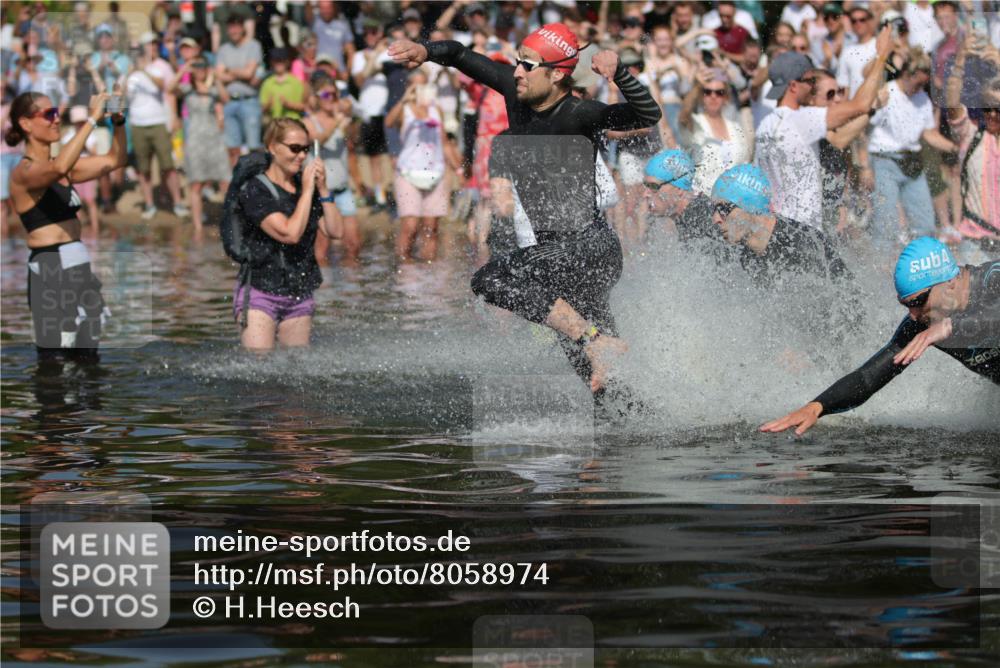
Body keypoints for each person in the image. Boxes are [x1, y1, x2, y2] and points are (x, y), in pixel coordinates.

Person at [387, 22, 662, 406]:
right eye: (517, 62)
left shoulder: (580, 113)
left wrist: (619, 74)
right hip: (560, 256)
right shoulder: (516, 92)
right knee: (599, 385)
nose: (516, 71)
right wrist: (425, 51)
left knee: (491, 277)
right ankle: (635, 432)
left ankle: (595, 341)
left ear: (556, 74)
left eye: (527, 66)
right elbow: (460, 55)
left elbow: (647, 114)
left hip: (588, 247)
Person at [761, 238, 999, 436]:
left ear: (949, 282)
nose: (914, 315)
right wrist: (817, 406)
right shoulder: (922, 323)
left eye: (918, 302)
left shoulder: (992, 278)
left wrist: (953, 326)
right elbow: (868, 378)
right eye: (906, 304)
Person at [5, 91, 126, 356]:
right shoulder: (24, 173)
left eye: (58, 113)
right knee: (54, 363)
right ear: (26, 124)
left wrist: (117, 123)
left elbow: (114, 160)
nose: (56, 119)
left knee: (88, 359)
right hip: (50, 268)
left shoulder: (64, 168)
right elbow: (58, 167)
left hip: (77, 264)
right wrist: (92, 119)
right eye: (48, 114)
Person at [755, 30, 892, 230]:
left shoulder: (765, 124)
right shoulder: (799, 120)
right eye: (810, 81)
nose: (813, 86)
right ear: (793, 86)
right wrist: (881, 57)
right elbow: (861, 105)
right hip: (802, 231)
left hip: (777, 228)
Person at [234, 118, 343, 351]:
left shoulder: (307, 188)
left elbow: (335, 231)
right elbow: (290, 234)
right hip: (260, 293)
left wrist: (323, 189)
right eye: (294, 149)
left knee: (294, 370)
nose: (302, 156)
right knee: (258, 368)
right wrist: (307, 192)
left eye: (305, 149)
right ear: (273, 147)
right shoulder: (255, 189)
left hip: (299, 294)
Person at [867, 47, 958, 256]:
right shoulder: (887, 93)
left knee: (925, 223)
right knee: (885, 223)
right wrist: (865, 166)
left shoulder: (923, 100)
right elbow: (866, 130)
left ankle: (923, 263)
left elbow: (929, 134)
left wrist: (954, 148)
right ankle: (880, 269)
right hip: (885, 161)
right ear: (909, 74)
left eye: (924, 84)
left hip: (913, 163)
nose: (921, 88)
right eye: (918, 83)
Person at [710, 163, 853, 286]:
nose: (715, 219)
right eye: (714, 210)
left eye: (723, 209)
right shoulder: (740, 252)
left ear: (751, 206)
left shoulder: (801, 248)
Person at [385, 69, 462, 262]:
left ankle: (429, 274)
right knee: (410, 226)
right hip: (408, 172)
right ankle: (406, 269)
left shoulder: (437, 109)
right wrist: (405, 98)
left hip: (435, 172)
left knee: (432, 228)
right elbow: (388, 122)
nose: (421, 89)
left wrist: (458, 168)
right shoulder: (405, 109)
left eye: (424, 84)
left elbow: (444, 142)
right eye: (416, 85)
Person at [945, 34, 1000, 264]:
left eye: (999, 109)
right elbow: (952, 104)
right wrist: (959, 61)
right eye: (988, 108)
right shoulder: (972, 135)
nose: (993, 114)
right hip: (975, 241)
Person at [126, 32, 187, 220]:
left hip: (159, 122)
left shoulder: (161, 66)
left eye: (154, 44)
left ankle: (177, 203)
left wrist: (174, 116)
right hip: (138, 123)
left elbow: (167, 88)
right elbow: (122, 96)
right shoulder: (130, 71)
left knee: (168, 166)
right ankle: (149, 204)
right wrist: (130, 73)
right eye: (147, 45)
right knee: (143, 169)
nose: (151, 47)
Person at [171, 56, 231, 235]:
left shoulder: (213, 89)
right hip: (195, 140)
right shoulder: (188, 89)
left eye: (202, 66)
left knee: (224, 181)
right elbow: (169, 88)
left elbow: (226, 98)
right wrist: (184, 69)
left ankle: (228, 222)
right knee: (196, 184)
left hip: (214, 138)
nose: (199, 70)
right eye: (196, 67)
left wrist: (217, 78)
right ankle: (198, 226)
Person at [305, 78, 361, 263]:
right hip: (321, 192)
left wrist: (350, 113)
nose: (331, 99)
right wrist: (337, 122)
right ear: (317, 98)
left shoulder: (342, 120)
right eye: (327, 95)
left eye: (335, 95)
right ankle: (324, 290)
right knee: (321, 250)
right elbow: (318, 140)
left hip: (343, 189)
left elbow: (355, 138)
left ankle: (349, 290)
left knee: (353, 245)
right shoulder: (308, 121)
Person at [678, 65, 753, 196]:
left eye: (719, 93)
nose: (713, 96)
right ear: (701, 96)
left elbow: (744, 164)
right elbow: (684, 114)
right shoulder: (695, 122)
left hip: (733, 200)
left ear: (726, 98)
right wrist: (697, 86)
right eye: (707, 92)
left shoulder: (735, 127)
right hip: (702, 198)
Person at [217, 14, 264, 166]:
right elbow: (218, 74)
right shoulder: (223, 49)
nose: (234, 30)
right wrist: (240, 73)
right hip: (230, 102)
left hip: (249, 101)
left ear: (243, 27)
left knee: (253, 147)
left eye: (237, 26)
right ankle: (237, 185)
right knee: (232, 147)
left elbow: (249, 73)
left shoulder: (253, 46)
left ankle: (255, 184)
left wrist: (229, 71)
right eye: (231, 27)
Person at [836, 6, 877, 97]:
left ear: (870, 21)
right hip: (855, 106)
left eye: (862, 20)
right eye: (854, 21)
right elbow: (843, 84)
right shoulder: (847, 51)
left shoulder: (879, 45)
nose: (858, 23)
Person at [260, 48, 306, 121]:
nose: (279, 63)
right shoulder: (267, 83)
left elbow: (304, 107)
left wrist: (288, 105)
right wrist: (268, 105)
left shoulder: (295, 82)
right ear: (271, 62)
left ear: (287, 62)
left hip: (294, 123)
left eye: (281, 60)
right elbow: (262, 109)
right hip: (275, 124)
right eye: (276, 61)